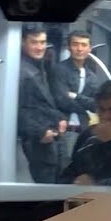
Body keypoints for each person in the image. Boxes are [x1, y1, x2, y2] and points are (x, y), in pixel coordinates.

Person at [17, 23, 73, 183]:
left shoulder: (39, 66)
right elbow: (18, 110)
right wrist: (40, 131)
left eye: (42, 42)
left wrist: (60, 117)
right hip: (37, 142)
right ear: (23, 43)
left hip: (52, 138)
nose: (39, 47)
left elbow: (44, 103)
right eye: (34, 42)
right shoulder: (22, 71)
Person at [55, 28, 105, 132]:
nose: (79, 49)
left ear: (90, 48)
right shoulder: (59, 70)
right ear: (69, 47)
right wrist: (85, 106)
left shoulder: (91, 76)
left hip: (83, 128)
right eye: (75, 44)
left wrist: (75, 96)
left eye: (84, 45)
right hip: (63, 128)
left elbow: (96, 105)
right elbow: (62, 101)